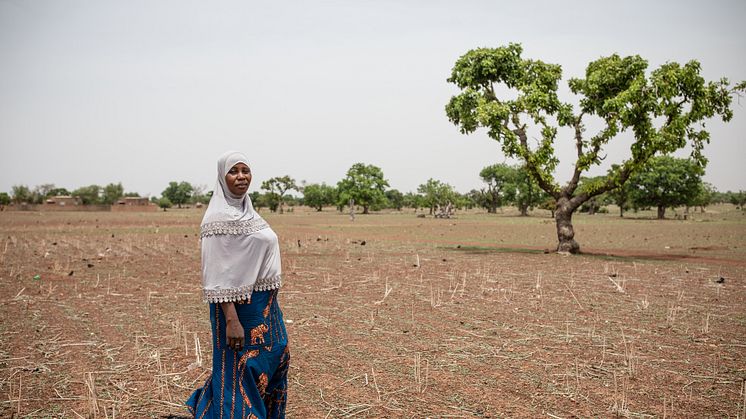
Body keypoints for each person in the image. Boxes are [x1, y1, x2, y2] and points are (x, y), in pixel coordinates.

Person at [186, 151, 289, 419]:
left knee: (276, 356)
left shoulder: (249, 212)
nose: (241, 176)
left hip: (266, 304)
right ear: (222, 177)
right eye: (234, 171)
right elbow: (217, 275)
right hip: (238, 309)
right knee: (240, 370)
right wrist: (231, 320)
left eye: (245, 170)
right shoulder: (216, 219)